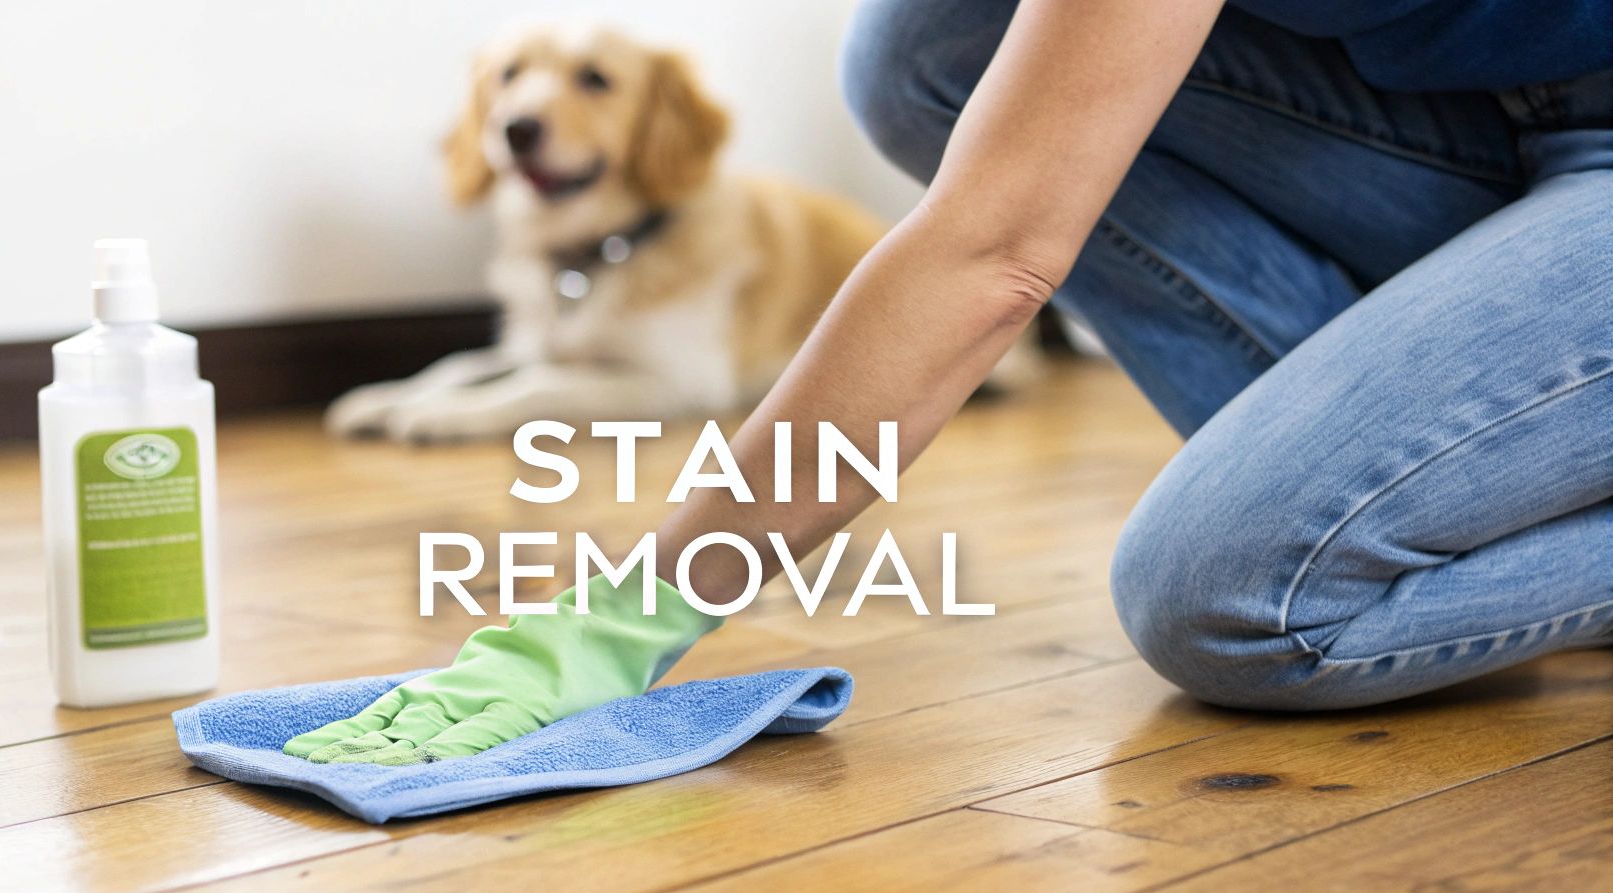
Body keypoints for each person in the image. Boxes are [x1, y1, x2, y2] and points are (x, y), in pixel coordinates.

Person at [284, 0, 1613, 765]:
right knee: (935, 38)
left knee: (1231, 597)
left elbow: (995, 251)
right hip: (1504, 115)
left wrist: (620, 622)